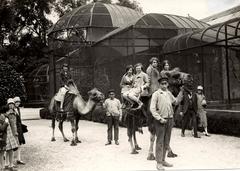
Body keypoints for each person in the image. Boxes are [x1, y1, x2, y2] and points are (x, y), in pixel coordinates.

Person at [150, 73, 183, 171]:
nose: (164, 85)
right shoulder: (156, 94)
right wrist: (159, 118)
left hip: (169, 120)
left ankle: (163, 160)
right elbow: (152, 109)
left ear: (167, 84)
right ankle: (159, 163)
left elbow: (176, 101)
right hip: (161, 120)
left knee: (167, 142)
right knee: (160, 141)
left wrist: (181, 92)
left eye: (166, 83)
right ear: (159, 84)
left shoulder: (168, 93)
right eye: (162, 84)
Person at [5, 98, 18, 171]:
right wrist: (14, 132)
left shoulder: (14, 112)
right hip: (10, 133)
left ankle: (8, 163)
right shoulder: (9, 113)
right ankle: (9, 164)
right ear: (8, 105)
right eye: (10, 104)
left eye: (12, 104)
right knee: (10, 149)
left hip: (13, 131)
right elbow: (11, 124)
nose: (11, 105)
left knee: (10, 149)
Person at [13, 97, 25, 165]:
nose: (18, 103)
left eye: (19, 102)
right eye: (16, 102)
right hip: (14, 128)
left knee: (19, 144)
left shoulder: (18, 109)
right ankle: (8, 160)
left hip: (19, 128)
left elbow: (19, 119)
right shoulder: (11, 110)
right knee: (12, 144)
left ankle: (18, 159)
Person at [0, 106, 9, 171]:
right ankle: (2, 167)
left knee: (2, 153)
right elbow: (1, 129)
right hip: (1, 137)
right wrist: (6, 122)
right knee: (1, 153)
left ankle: (2, 167)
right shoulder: (1, 117)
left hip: (2, 137)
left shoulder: (1, 116)